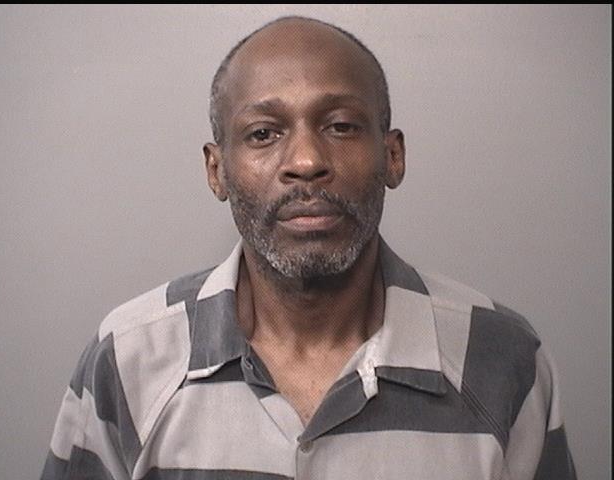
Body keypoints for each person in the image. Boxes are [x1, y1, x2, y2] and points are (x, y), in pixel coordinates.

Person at [41, 16, 577, 480]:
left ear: (392, 156)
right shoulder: (128, 362)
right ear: (216, 169)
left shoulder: (503, 361)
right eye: (263, 133)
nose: (306, 161)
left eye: (340, 126)